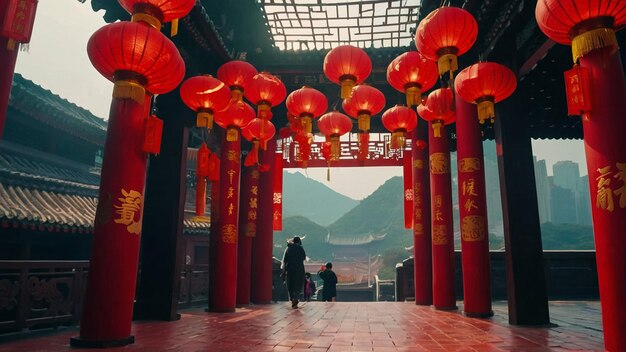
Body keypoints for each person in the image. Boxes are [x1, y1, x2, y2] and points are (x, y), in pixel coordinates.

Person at [281, 236, 306, 308]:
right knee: (297, 285)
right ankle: (296, 299)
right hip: (299, 269)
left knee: (290, 284)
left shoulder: (288, 248)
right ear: (299, 242)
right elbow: (303, 258)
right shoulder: (300, 248)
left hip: (290, 269)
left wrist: (283, 270)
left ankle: (292, 299)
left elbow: (285, 261)